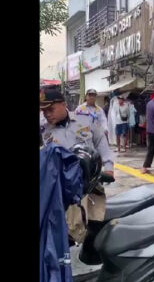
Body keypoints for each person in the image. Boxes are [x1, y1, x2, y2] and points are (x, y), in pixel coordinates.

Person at [40, 88, 115, 242]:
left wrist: (109, 168)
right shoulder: (43, 129)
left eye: (50, 109)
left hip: (90, 185)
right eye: (43, 110)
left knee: (93, 228)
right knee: (67, 233)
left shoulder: (86, 120)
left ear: (63, 104)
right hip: (62, 190)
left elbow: (100, 141)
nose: (47, 114)